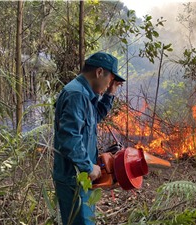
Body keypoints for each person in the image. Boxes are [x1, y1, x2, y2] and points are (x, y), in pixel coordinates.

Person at [53, 52, 125, 225]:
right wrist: (87, 165)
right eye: (110, 80)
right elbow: (69, 136)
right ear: (99, 72)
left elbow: (95, 116)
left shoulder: (85, 93)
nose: (109, 84)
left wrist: (110, 94)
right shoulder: (77, 94)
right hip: (74, 177)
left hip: (83, 177)